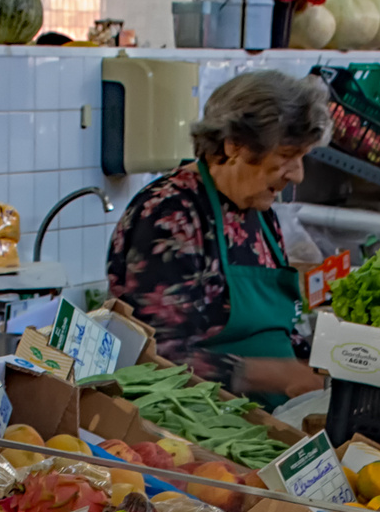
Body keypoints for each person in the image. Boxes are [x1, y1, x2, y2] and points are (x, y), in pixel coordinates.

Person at [107, 70, 329, 404]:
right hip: (194, 428)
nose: (298, 173)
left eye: (302, 157)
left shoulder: (259, 212)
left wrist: (323, 363)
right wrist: (279, 375)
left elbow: (277, 332)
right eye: (286, 156)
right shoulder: (169, 214)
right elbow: (155, 355)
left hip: (272, 419)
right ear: (235, 145)